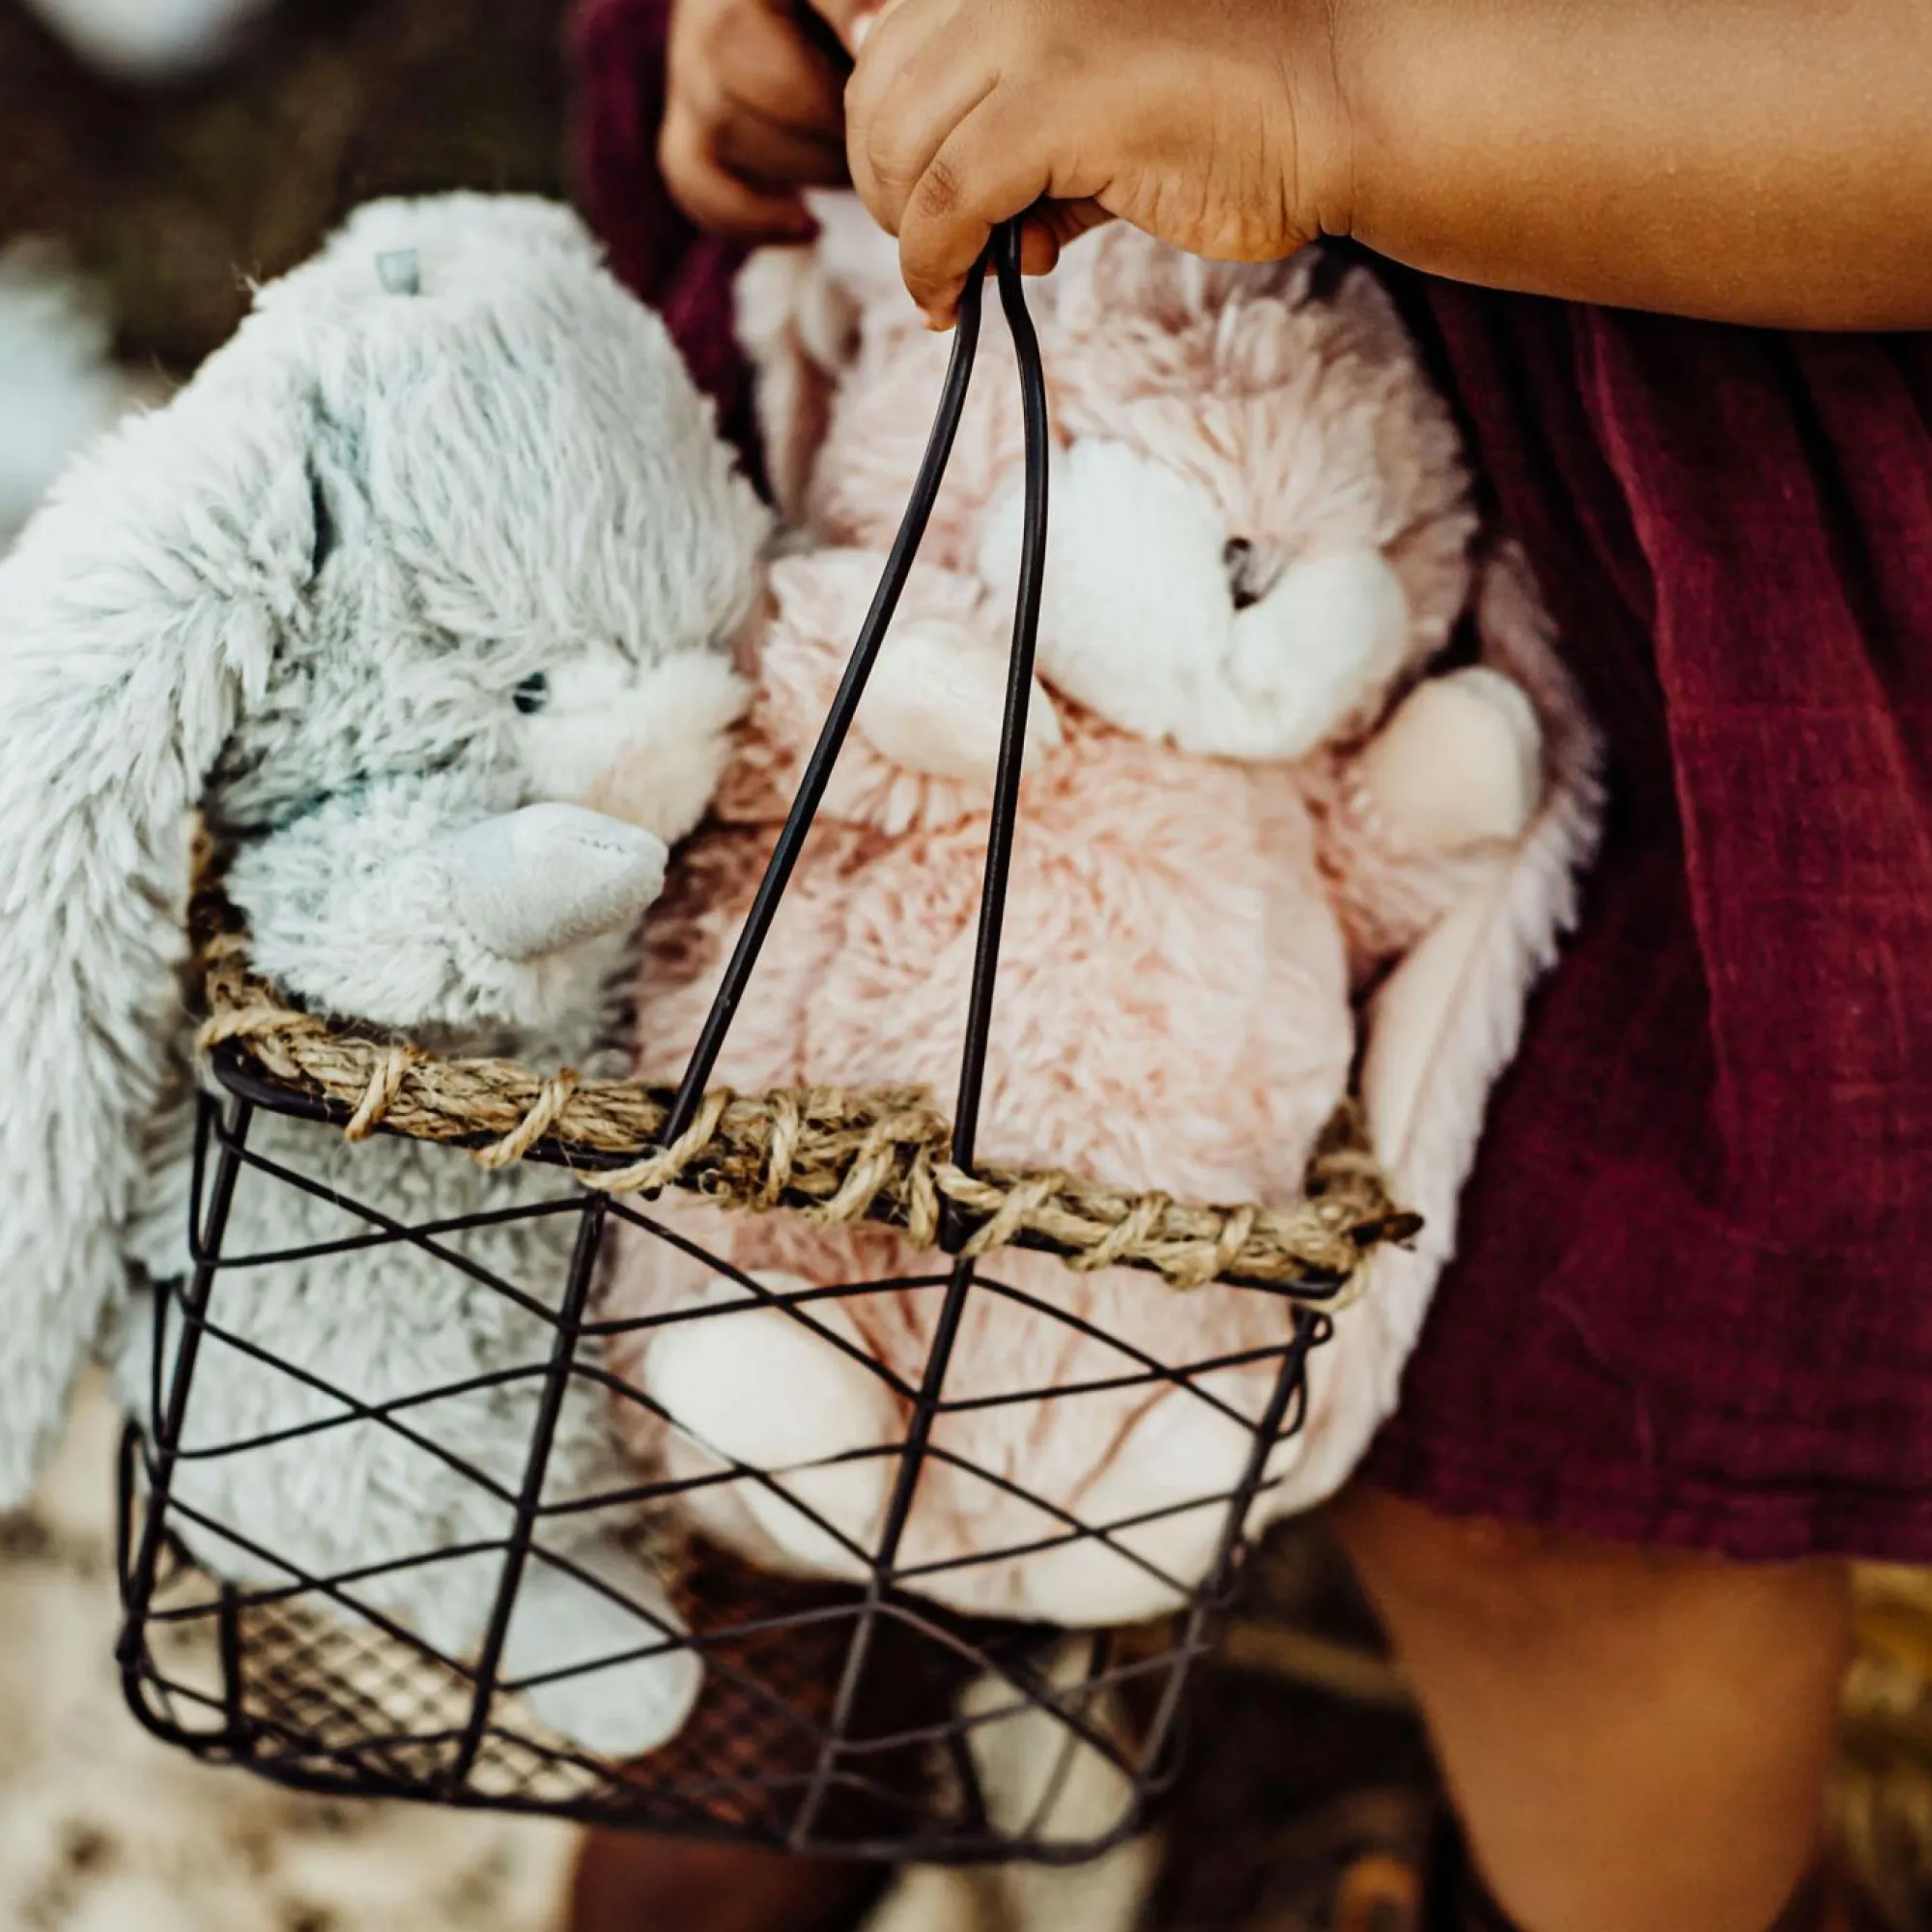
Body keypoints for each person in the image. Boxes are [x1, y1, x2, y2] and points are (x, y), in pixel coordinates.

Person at [566, 1, 1932, 1926]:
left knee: (1562, 1433)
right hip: (949, 363)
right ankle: (819, 1615)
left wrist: (1340, 92)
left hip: (1659, 375)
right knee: (796, 1115)